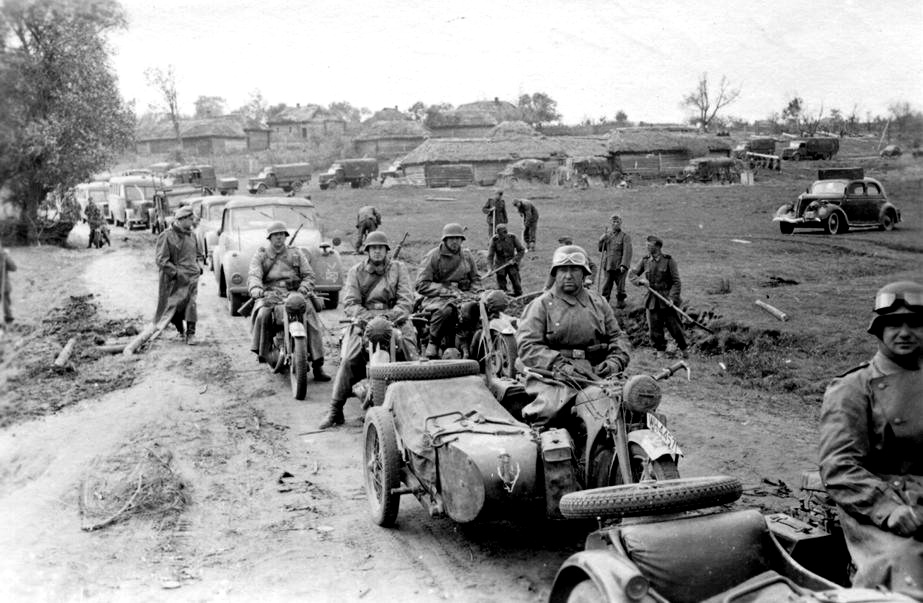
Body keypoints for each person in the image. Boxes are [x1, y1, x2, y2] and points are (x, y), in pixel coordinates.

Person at [818, 281, 923, 598]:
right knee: (905, 567)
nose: (904, 333)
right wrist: (888, 509)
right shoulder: (852, 387)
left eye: (914, 323)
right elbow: (839, 467)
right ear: (878, 330)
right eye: (893, 324)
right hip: (877, 508)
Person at [516, 244, 631, 426]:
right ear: (555, 273)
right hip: (555, 377)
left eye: (574, 270)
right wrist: (559, 365)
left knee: (633, 403)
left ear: (584, 274)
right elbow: (528, 345)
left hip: (599, 373)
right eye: (563, 270)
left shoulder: (599, 302)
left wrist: (615, 362)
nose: (568, 275)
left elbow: (618, 337)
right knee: (553, 414)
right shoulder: (541, 305)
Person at [320, 231, 417, 429]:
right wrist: (368, 318)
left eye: (381, 248)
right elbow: (350, 302)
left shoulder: (399, 269)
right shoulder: (356, 271)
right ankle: (335, 410)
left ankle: (417, 404)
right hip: (364, 322)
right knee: (348, 359)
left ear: (386, 250)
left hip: (395, 320)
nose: (377, 251)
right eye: (373, 248)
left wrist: (389, 317)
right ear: (367, 251)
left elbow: (406, 299)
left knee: (412, 355)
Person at [248, 221, 329, 381]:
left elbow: (309, 275)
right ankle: (264, 352)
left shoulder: (296, 253)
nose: (279, 237)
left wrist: (303, 289)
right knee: (263, 314)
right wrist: (256, 289)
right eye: (275, 235)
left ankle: (318, 364)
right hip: (270, 294)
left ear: (285, 236)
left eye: (282, 234)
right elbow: (254, 274)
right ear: (269, 238)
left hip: (295, 293)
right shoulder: (261, 255)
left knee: (310, 315)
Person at [415, 223, 481, 359]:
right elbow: (421, 284)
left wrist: (476, 292)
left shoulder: (467, 256)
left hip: (463, 295)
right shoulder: (433, 256)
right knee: (446, 310)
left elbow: (475, 279)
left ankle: (473, 343)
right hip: (437, 297)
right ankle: (433, 342)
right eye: (451, 238)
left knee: (477, 309)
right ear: (445, 240)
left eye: (458, 238)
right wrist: (445, 290)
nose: (455, 241)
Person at [629, 235, 688, 358]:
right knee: (654, 328)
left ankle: (684, 350)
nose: (647, 247)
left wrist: (672, 298)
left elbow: (676, 282)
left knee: (675, 328)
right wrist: (640, 281)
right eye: (646, 245)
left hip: (667, 300)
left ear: (658, 247)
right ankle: (660, 351)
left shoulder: (669, 261)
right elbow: (632, 274)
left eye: (649, 245)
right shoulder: (645, 260)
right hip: (652, 300)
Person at [153, 206, 204, 345]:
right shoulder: (166, 235)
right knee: (173, 306)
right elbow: (161, 259)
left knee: (191, 303)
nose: (193, 222)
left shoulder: (192, 235)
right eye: (190, 219)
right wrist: (175, 273)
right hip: (174, 279)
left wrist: (199, 265)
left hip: (192, 277)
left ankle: (191, 334)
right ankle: (180, 330)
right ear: (181, 219)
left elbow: (199, 254)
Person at [598, 214, 633, 309]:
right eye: (614, 222)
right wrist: (601, 240)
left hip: (619, 266)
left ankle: (621, 303)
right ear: (611, 223)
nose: (616, 224)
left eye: (617, 222)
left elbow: (627, 252)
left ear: (620, 223)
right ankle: (604, 304)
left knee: (620, 287)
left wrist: (624, 265)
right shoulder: (607, 236)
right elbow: (601, 249)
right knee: (606, 285)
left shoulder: (625, 236)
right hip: (608, 265)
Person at [487, 223, 525, 297]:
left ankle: (518, 296)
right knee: (501, 287)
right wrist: (490, 269)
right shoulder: (494, 240)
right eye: (498, 234)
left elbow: (521, 250)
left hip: (512, 263)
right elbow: (490, 256)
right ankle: (503, 298)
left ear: (506, 232)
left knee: (516, 283)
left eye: (502, 234)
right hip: (500, 264)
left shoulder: (513, 237)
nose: (500, 236)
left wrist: (514, 260)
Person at [1, 237, 16, 325]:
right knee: (6, 306)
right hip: (3, 287)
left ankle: (8, 322)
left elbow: (13, 268)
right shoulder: (3, 256)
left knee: (6, 305)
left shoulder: (4, 257)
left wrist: (6, 257)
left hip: (4, 287)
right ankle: (8, 321)